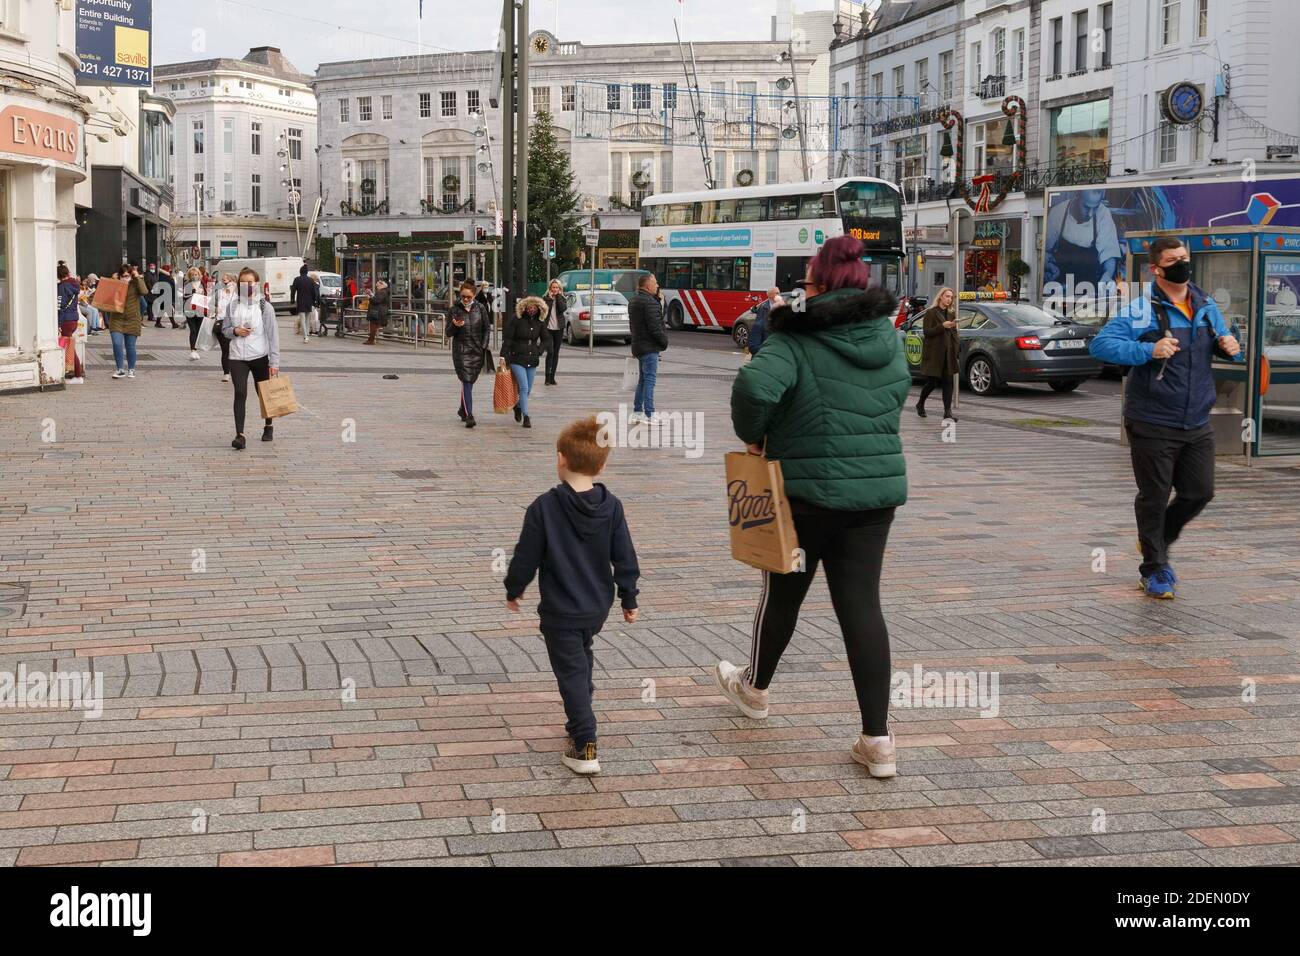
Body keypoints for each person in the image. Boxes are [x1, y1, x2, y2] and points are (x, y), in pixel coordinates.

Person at [717, 235, 910, 778]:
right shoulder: (886, 336)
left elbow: (754, 388)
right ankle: (878, 739)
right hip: (873, 497)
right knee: (862, 608)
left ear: (819, 283)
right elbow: (895, 394)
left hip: (804, 495)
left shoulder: (796, 333)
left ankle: (754, 690)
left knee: (783, 593)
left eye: (806, 278)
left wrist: (756, 438)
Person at [1090, 236, 1242, 600]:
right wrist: (1147, 348)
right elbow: (1101, 345)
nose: (1182, 264)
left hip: (1196, 420)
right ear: (1156, 269)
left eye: (1184, 258)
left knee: (1199, 493)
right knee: (1155, 496)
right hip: (1152, 419)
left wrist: (1232, 345)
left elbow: (1225, 339)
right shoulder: (1141, 309)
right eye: (1173, 259)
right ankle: (1155, 569)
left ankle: (1156, 541)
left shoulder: (1206, 306)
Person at [504, 416, 641, 775]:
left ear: (561, 458)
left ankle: (585, 744)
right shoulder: (612, 506)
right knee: (580, 659)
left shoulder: (545, 508)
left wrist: (513, 588)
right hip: (596, 607)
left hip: (561, 610)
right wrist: (629, 598)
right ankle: (580, 717)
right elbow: (625, 556)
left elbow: (526, 556)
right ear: (603, 464)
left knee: (570, 671)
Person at [221, 267, 281, 451]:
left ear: (257, 285)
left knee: (263, 393)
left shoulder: (265, 307)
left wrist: (274, 362)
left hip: (260, 356)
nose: (247, 285)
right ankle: (240, 435)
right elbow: (225, 330)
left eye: (251, 282)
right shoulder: (232, 305)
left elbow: (273, 335)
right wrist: (235, 331)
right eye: (243, 282)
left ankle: (268, 425)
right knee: (240, 392)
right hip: (238, 356)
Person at [1043, 189, 1123, 297]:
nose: (1090, 213)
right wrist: (1049, 266)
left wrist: (1107, 274)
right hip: (1061, 288)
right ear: (1077, 197)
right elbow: (1045, 251)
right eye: (1086, 207)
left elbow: (1109, 253)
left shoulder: (1103, 214)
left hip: (1090, 289)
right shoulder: (1057, 213)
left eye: (1095, 208)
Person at [447, 279, 490, 429]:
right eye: (463, 296)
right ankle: (469, 414)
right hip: (461, 350)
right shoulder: (454, 309)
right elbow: (448, 333)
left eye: (468, 297)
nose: (465, 299)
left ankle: (462, 409)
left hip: (477, 350)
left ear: (474, 295)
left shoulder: (480, 308)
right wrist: (454, 325)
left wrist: (483, 346)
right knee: (466, 380)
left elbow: (486, 328)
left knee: (470, 382)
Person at [628, 273, 668, 424]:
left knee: (643, 380)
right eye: (655, 283)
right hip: (649, 346)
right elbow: (655, 327)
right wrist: (664, 342)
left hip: (638, 345)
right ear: (648, 285)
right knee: (650, 380)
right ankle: (650, 414)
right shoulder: (649, 302)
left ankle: (637, 412)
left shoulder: (634, 300)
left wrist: (657, 300)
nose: (658, 286)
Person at [915, 286, 959, 421]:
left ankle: (947, 412)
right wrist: (942, 326)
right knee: (932, 382)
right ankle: (920, 403)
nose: (949, 299)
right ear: (940, 297)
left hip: (948, 352)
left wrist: (956, 348)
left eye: (951, 297)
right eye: (947, 296)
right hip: (935, 353)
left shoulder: (951, 313)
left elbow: (954, 333)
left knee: (948, 381)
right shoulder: (931, 313)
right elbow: (927, 332)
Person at [504, 295, 548, 428]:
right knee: (523, 387)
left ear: (539, 308)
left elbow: (546, 339)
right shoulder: (516, 319)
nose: (532, 310)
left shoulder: (540, 322)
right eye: (530, 307)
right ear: (525, 307)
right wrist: (503, 355)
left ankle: (518, 406)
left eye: (534, 307)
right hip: (517, 357)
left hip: (532, 358)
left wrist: (539, 350)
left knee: (528, 389)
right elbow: (508, 338)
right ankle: (526, 416)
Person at [106, 264, 150, 380]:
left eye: (127, 276)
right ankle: (120, 369)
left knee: (130, 346)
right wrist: (113, 280)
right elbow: (106, 296)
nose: (125, 278)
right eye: (123, 276)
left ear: (131, 275)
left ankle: (131, 369)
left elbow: (144, 291)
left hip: (132, 319)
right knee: (117, 343)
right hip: (116, 319)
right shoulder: (116, 283)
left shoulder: (136, 284)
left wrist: (137, 277)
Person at [57, 265, 85, 384]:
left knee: (68, 347)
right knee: (68, 346)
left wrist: (58, 322)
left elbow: (60, 305)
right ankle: (72, 373)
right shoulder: (75, 285)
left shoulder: (61, 287)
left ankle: (77, 376)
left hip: (65, 320)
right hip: (73, 318)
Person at [182, 267, 210, 361]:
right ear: (189, 276)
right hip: (189, 310)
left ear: (199, 275)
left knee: (198, 331)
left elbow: (207, 296)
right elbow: (184, 297)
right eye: (192, 275)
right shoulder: (187, 284)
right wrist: (193, 293)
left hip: (200, 310)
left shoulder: (202, 284)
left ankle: (195, 350)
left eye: (196, 274)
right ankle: (192, 350)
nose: (194, 276)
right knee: (193, 330)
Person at [542, 279, 567, 385]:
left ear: (560, 289)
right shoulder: (545, 298)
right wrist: (551, 299)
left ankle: (552, 377)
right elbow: (543, 311)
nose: (555, 289)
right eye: (554, 287)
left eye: (557, 287)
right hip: (548, 329)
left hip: (559, 329)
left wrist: (558, 298)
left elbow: (562, 309)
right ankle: (547, 377)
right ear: (550, 288)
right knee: (550, 352)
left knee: (556, 353)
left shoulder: (562, 298)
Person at [214, 273, 236, 383]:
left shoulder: (238, 294)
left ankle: (234, 370)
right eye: (223, 281)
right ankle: (226, 373)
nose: (225, 283)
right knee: (225, 349)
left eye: (227, 280)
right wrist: (215, 308)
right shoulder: (219, 293)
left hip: (234, 324)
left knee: (233, 349)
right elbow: (211, 305)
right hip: (221, 323)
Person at [747, 287, 782, 356]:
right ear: (770, 295)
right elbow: (759, 325)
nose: (779, 295)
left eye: (779, 293)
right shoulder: (763, 307)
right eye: (777, 293)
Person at [290, 264, 318, 344]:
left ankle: (305, 336)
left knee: (302, 319)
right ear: (307, 272)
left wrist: (292, 300)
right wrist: (314, 302)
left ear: (300, 272)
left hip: (301, 301)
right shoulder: (310, 280)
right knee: (307, 319)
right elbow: (313, 292)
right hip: (309, 302)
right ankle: (307, 334)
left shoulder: (297, 279)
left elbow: (293, 290)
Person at [365, 279, 389, 345]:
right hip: (378, 311)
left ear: (382, 286)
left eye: (378, 286)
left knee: (373, 326)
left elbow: (376, 300)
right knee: (373, 326)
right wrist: (371, 294)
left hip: (377, 311)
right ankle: (370, 339)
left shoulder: (381, 292)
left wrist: (369, 298)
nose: (377, 287)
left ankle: (371, 340)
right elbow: (377, 299)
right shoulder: (383, 291)